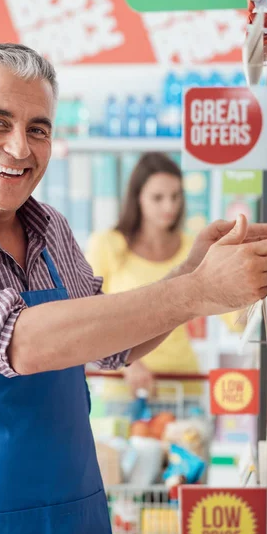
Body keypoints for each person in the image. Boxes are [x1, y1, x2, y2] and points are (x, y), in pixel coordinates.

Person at [0, 43, 267, 534]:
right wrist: (195, 290)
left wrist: (193, 268)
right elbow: (16, 342)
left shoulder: (51, 228)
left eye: (38, 128)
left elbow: (111, 348)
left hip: (77, 528)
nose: (19, 148)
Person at [86, 152, 200, 397]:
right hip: (124, 385)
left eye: (175, 196)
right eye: (158, 198)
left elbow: (231, 312)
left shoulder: (194, 247)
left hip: (183, 381)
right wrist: (129, 361)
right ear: (138, 198)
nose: (169, 206)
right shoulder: (107, 245)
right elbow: (88, 316)